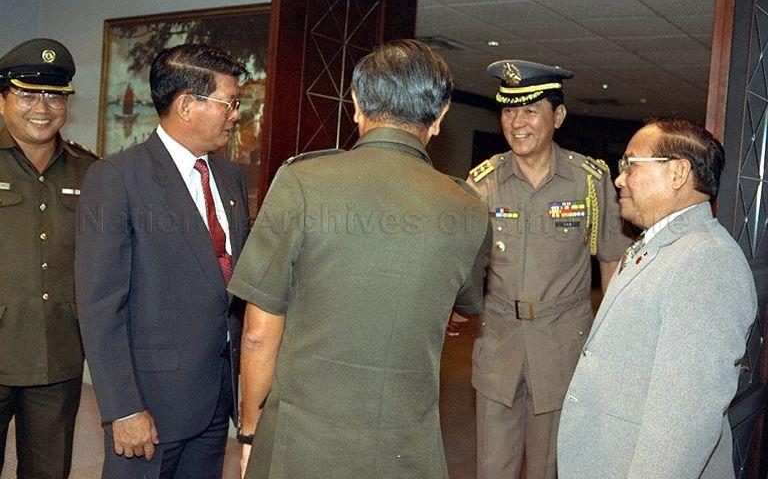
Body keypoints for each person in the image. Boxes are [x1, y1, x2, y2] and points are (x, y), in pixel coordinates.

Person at [227, 39, 491, 479]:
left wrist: (250, 433)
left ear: (355, 104)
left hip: (300, 443)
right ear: (440, 116)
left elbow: (258, 333)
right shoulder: (468, 208)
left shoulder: (302, 181)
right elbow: (461, 309)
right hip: (404, 447)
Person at [75, 43, 250, 479]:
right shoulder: (117, 178)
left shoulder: (230, 178)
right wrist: (123, 407)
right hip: (149, 404)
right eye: (229, 102)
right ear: (187, 105)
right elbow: (100, 305)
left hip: (216, 399)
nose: (236, 114)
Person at [557, 118, 757, 478]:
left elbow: (683, 421)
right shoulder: (660, 245)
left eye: (630, 165)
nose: (619, 179)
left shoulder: (707, 261)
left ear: (678, 172)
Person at [468, 60, 631, 479]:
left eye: (530, 110)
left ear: (557, 116)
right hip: (499, 342)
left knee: (548, 467)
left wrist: (609, 344)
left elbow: (612, 262)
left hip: (560, 346)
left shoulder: (589, 181)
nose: (517, 122)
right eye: (508, 110)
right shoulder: (483, 183)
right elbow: (466, 264)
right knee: (492, 466)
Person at [0, 38, 97, 479]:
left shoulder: (90, 172)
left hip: (57, 354)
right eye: (28, 94)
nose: (42, 107)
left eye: (55, 96)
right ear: (3, 98)